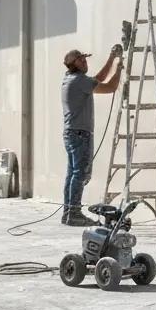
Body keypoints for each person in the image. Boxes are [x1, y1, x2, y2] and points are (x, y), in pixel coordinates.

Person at [61, 46, 122, 227]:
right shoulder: (78, 81)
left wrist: (112, 58)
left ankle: (68, 212)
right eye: (81, 60)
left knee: (73, 173)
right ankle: (74, 213)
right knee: (79, 174)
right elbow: (110, 86)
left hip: (73, 133)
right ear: (73, 64)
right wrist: (119, 69)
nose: (85, 62)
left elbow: (99, 79)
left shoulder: (72, 79)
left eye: (85, 59)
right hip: (80, 134)